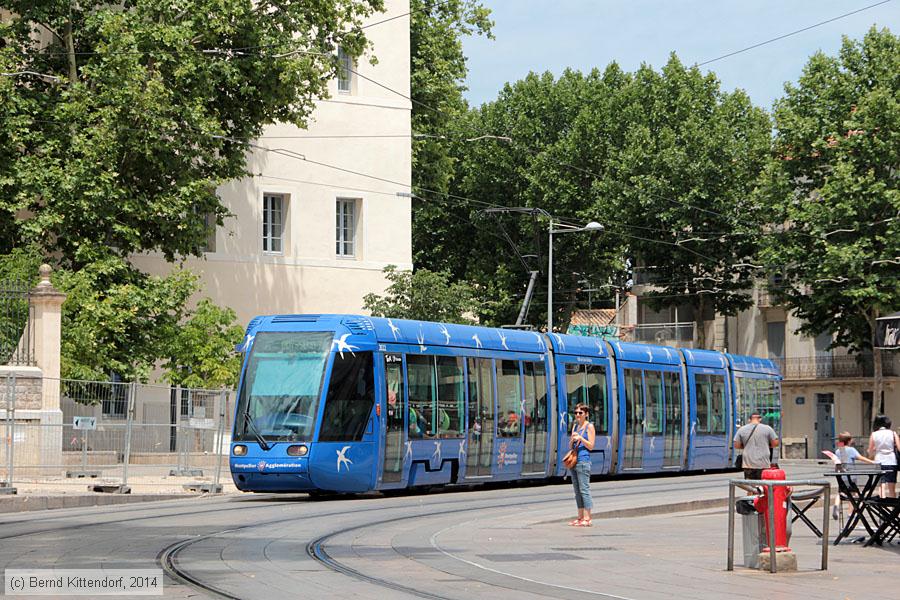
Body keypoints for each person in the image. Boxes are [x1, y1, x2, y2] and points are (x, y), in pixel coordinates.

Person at [831, 432, 875, 519]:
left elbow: (837, 463)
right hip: (851, 476)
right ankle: (850, 513)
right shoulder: (851, 450)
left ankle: (836, 505)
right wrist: (872, 462)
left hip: (842, 476)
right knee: (853, 494)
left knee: (841, 492)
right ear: (849, 441)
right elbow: (861, 458)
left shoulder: (838, 450)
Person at [568, 403, 596, 527]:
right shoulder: (575, 427)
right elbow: (570, 446)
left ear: (586, 414)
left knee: (584, 490)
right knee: (577, 491)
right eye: (576, 413)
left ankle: (587, 518)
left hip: (583, 461)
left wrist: (581, 438)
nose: (578, 415)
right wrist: (572, 440)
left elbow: (591, 446)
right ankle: (580, 517)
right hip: (574, 461)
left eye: (581, 413)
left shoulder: (589, 427)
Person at [733, 411, 779, 481]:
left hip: (748, 463)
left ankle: (751, 492)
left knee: (750, 485)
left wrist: (745, 445)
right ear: (760, 419)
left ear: (749, 419)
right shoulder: (768, 428)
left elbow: (736, 445)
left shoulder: (742, 429)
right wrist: (766, 444)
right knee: (764, 485)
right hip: (763, 462)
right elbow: (775, 443)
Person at [868, 414, 900, 499]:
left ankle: (881, 506)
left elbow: (870, 451)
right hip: (891, 461)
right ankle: (894, 508)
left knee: (881, 485)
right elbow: (899, 448)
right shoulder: (893, 433)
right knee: (891, 486)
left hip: (879, 461)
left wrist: (874, 452)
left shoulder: (874, 434)